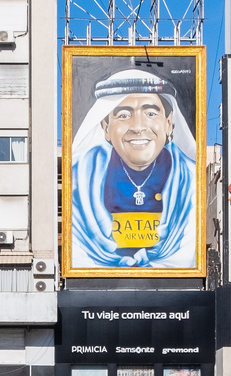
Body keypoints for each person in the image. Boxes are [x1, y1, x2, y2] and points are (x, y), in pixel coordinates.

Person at [68, 69, 198, 270]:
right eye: (123, 114)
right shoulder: (78, 179)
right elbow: (79, 257)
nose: (138, 126)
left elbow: (186, 257)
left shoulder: (190, 180)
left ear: (169, 124)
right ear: (106, 128)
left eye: (151, 113)